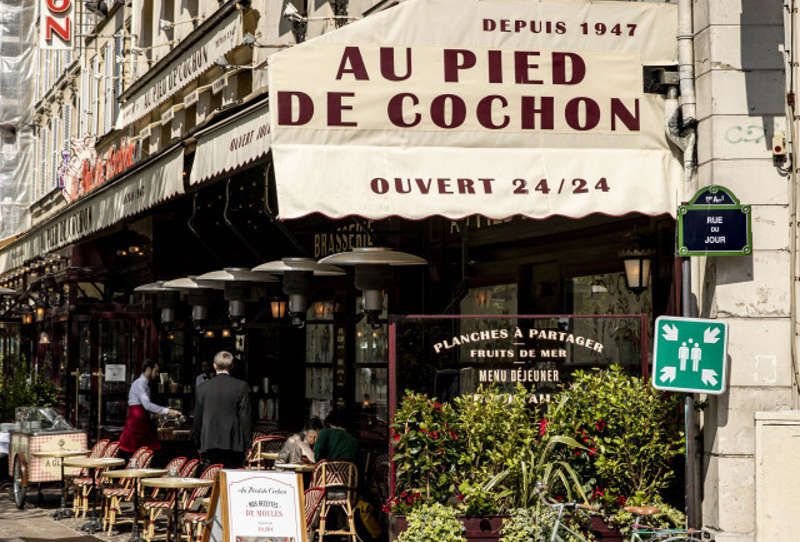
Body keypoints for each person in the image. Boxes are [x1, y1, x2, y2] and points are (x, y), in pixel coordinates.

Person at [193, 350, 251, 468]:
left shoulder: (202, 388)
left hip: (209, 441)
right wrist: (247, 444)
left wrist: (198, 443)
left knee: (211, 479)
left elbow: (197, 418)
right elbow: (245, 418)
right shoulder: (241, 386)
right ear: (231, 366)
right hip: (233, 442)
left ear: (214, 366)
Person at [119, 360, 181, 456]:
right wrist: (168, 411)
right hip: (137, 425)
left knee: (144, 453)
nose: (157, 374)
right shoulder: (140, 384)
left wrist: (154, 414)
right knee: (137, 453)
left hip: (142, 423)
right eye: (156, 371)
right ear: (148, 369)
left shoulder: (144, 384)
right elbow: (147, 405)